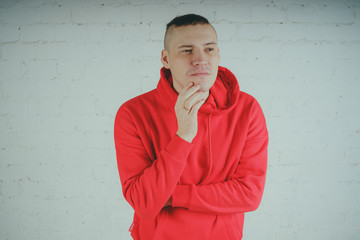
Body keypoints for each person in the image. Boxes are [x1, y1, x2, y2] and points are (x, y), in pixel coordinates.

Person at [114, 14, 268, 240]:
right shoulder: (132, 113)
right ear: (165, 59)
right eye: (187, 50)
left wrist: (173, 197)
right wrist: (183, 135)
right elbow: (145, 203)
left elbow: (249, 194)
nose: (200, 59)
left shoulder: (247, 109)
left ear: (218, 54)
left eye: (209, 49)